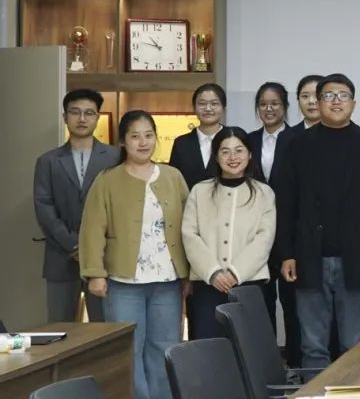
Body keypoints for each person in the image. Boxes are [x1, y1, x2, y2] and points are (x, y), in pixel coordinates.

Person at [275, 73, 360, 367]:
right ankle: (315, 389)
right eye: (328, 95)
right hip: (308, 257)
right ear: (318, 102)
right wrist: (287, 253)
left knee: (353, 344)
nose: (336, 101)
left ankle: (352, 390)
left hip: (357, 257)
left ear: (354, 103)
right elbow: (286, 204)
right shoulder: (297, 145)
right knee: (313, 346)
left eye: (343, 96)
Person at [80, 111, 189, 399]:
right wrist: (95, 273)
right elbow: (92, 229)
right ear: (122, 142)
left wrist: (190, 273)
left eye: (149, 135)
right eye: (135, 136)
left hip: (167, 280)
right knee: (128, 349)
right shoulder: (107, 180)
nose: (143, 142)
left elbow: (190, 227)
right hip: (122, 282)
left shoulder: (173, 177)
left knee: (165, 347)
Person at [182, 127, 276, 340]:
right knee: (210, 346)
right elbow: (190, 235)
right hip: (208, 284)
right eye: (225, 152)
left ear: (249, 154)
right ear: (216, 157)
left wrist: (235, 273)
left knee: (248, 347)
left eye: (239, 150)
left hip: (249, 283)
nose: (233, 157)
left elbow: (264, 239)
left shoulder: (264, 193)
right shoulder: (200, 191)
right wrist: (213, 272)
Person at [33, 88, 118, 322]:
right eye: (75, 112)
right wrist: (74, 245)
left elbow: (120, 206)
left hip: (104, 258)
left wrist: (93, 248)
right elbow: (44, 208)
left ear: (97, 117)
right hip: (61, 256)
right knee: (60, 329)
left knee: (105, 329)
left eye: (89, 113)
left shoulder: (115, 157)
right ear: (65, 117)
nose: (82, 118)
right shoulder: (48, 161)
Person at [247, 82, 301, 360]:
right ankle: (266, 364)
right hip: (257, 236)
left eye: (275, 104)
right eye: (263, 104)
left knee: (294, 305)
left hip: (291, 236)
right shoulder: (248, 141)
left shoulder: (299, 139)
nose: (269, 109)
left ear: (285, 107)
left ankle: (295, 363)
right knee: (262, 303)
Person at [169, 83, 226, 189]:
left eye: (214, 104)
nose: (208, 109)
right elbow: (173, 181)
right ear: (194, 108)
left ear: (223, 107)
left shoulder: (233, 140)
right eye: (202, 104)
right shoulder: (181, 144)